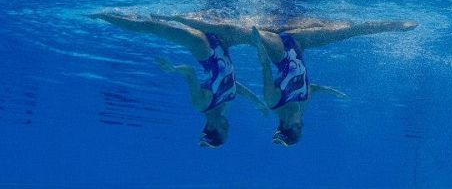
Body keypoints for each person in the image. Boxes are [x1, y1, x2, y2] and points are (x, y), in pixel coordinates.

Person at [149, 12, 418, 146]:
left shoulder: (274, 101)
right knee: (346, 31)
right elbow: (308, 87)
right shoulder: (301, 107)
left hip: (278, 52)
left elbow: (265, 69)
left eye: (299, 128)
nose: (303, 125)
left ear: (289, 125)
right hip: (300, 45)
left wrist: (257, 43)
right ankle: (392, 25)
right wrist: (330, 91)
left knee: (238, 28)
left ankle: (172, 15)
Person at [91, 11, 269, 148]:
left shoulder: (200, 104)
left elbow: (190, 72)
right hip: (223, 44)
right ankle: (171, 15)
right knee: (257, 35)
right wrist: (257, 101)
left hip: (204, 50)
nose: (228, 126)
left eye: (224, 129)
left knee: (153, 27)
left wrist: (174, 69)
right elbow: (233, 86)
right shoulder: (224, 109)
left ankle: (103, 16)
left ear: (211, 127)